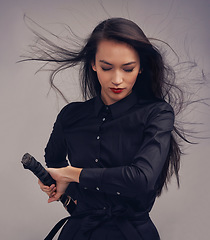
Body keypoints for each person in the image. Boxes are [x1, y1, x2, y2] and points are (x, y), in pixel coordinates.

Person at [29, 17, 188, 239]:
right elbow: (53, 160)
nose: (117, 79)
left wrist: (71, 174)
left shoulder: (158, 113)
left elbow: (141, 179)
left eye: (128, 68)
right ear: (93, 64)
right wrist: (66, 188)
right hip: (79, 232)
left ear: (141, 67)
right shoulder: (71, 115)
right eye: (106, 67)